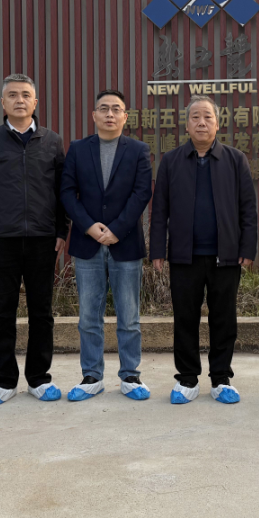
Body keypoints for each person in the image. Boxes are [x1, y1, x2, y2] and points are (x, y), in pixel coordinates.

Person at [150, 95, 258, 405]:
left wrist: (247, 248)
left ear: (218, 123)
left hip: (226, 255)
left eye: (207, 117)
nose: (201, 122)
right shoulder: (171, 161)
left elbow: (248, 209)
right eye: (195, 117)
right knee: (185, 318)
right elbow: (160, 209)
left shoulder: (235, 159)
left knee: (224, 318)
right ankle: (187, 378)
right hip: (184, 256)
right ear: (186, 125)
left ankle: (221, 378)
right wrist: (157, 249)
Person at [0, 74, 69, 406]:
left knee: (42, 312)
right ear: (3, 103)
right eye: (12, 95)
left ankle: (39, 378)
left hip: (42, 239)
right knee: (2, 312)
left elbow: (62, 191)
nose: (20, 100)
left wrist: (61, 231)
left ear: (35, 102)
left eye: (26, 95)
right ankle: (5, 381)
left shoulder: (52, 140)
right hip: (2, 240)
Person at [60, 90, 153, 401]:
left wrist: (116, 229)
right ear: (94, 115)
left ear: (125, 116)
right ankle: (92, 375)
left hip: (125, 243)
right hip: (86, 243)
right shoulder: (77, 148)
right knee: (89, 316)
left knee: (129, 316)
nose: (110, 114)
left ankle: (130, 375)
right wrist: (89, 226)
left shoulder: (138, 150)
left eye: (116, 109)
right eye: (104, 109)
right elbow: (67, 192)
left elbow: (141, 193)